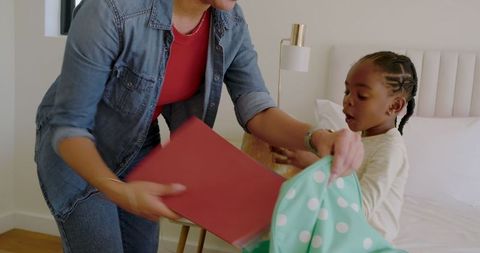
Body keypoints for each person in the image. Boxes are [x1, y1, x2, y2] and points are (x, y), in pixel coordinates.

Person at [34, 0, 364, 252]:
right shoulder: (111, 11)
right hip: (74, 149)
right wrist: (118, 191)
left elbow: (256, 106)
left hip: (137, 143)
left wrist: (317, 136)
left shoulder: (229, 21)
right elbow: (69, 126)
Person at [274, 51, 418, 242]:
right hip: (343, 230)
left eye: (362, 95)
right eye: (347, 91)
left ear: (394, 106)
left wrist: (318, 167)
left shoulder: (391, 150)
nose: (347, 100)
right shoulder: (355, 138)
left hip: (368, 239)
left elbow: (361, 208)